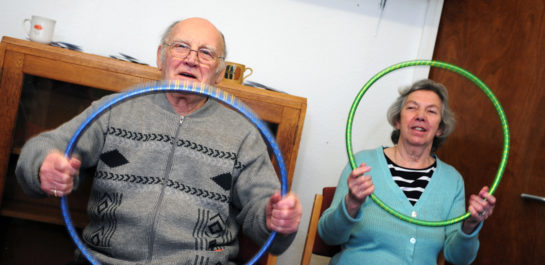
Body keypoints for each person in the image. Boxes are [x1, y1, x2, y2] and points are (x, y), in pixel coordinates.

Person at [15, 17, 302, 265]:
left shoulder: (244, 134)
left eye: (206, 53)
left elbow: (268, 223)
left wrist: (275, 219)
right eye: (181, 46)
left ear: (219, 73)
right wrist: (44, 165)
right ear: (160, 56)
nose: (191, 59)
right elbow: (44, 147)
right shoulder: (114, 109)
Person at [318, 79, 496, 265]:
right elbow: (328, 236)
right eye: (412, 108)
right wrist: (351, 204)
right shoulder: (362, 163)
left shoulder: (452, 180)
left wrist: (471, 226)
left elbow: (458, 259)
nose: (420, 116)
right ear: (397, 120)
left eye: (431, 111)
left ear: (440, 129)